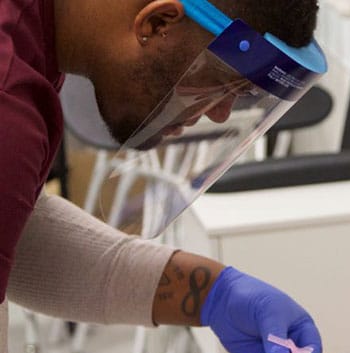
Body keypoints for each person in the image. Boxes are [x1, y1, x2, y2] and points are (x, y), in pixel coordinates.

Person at [0, 0, 324, 352]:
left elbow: (15, 230)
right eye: (220, 85)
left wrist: (212, 293)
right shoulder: (8, 111)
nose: (219, 114)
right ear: (157, 23)